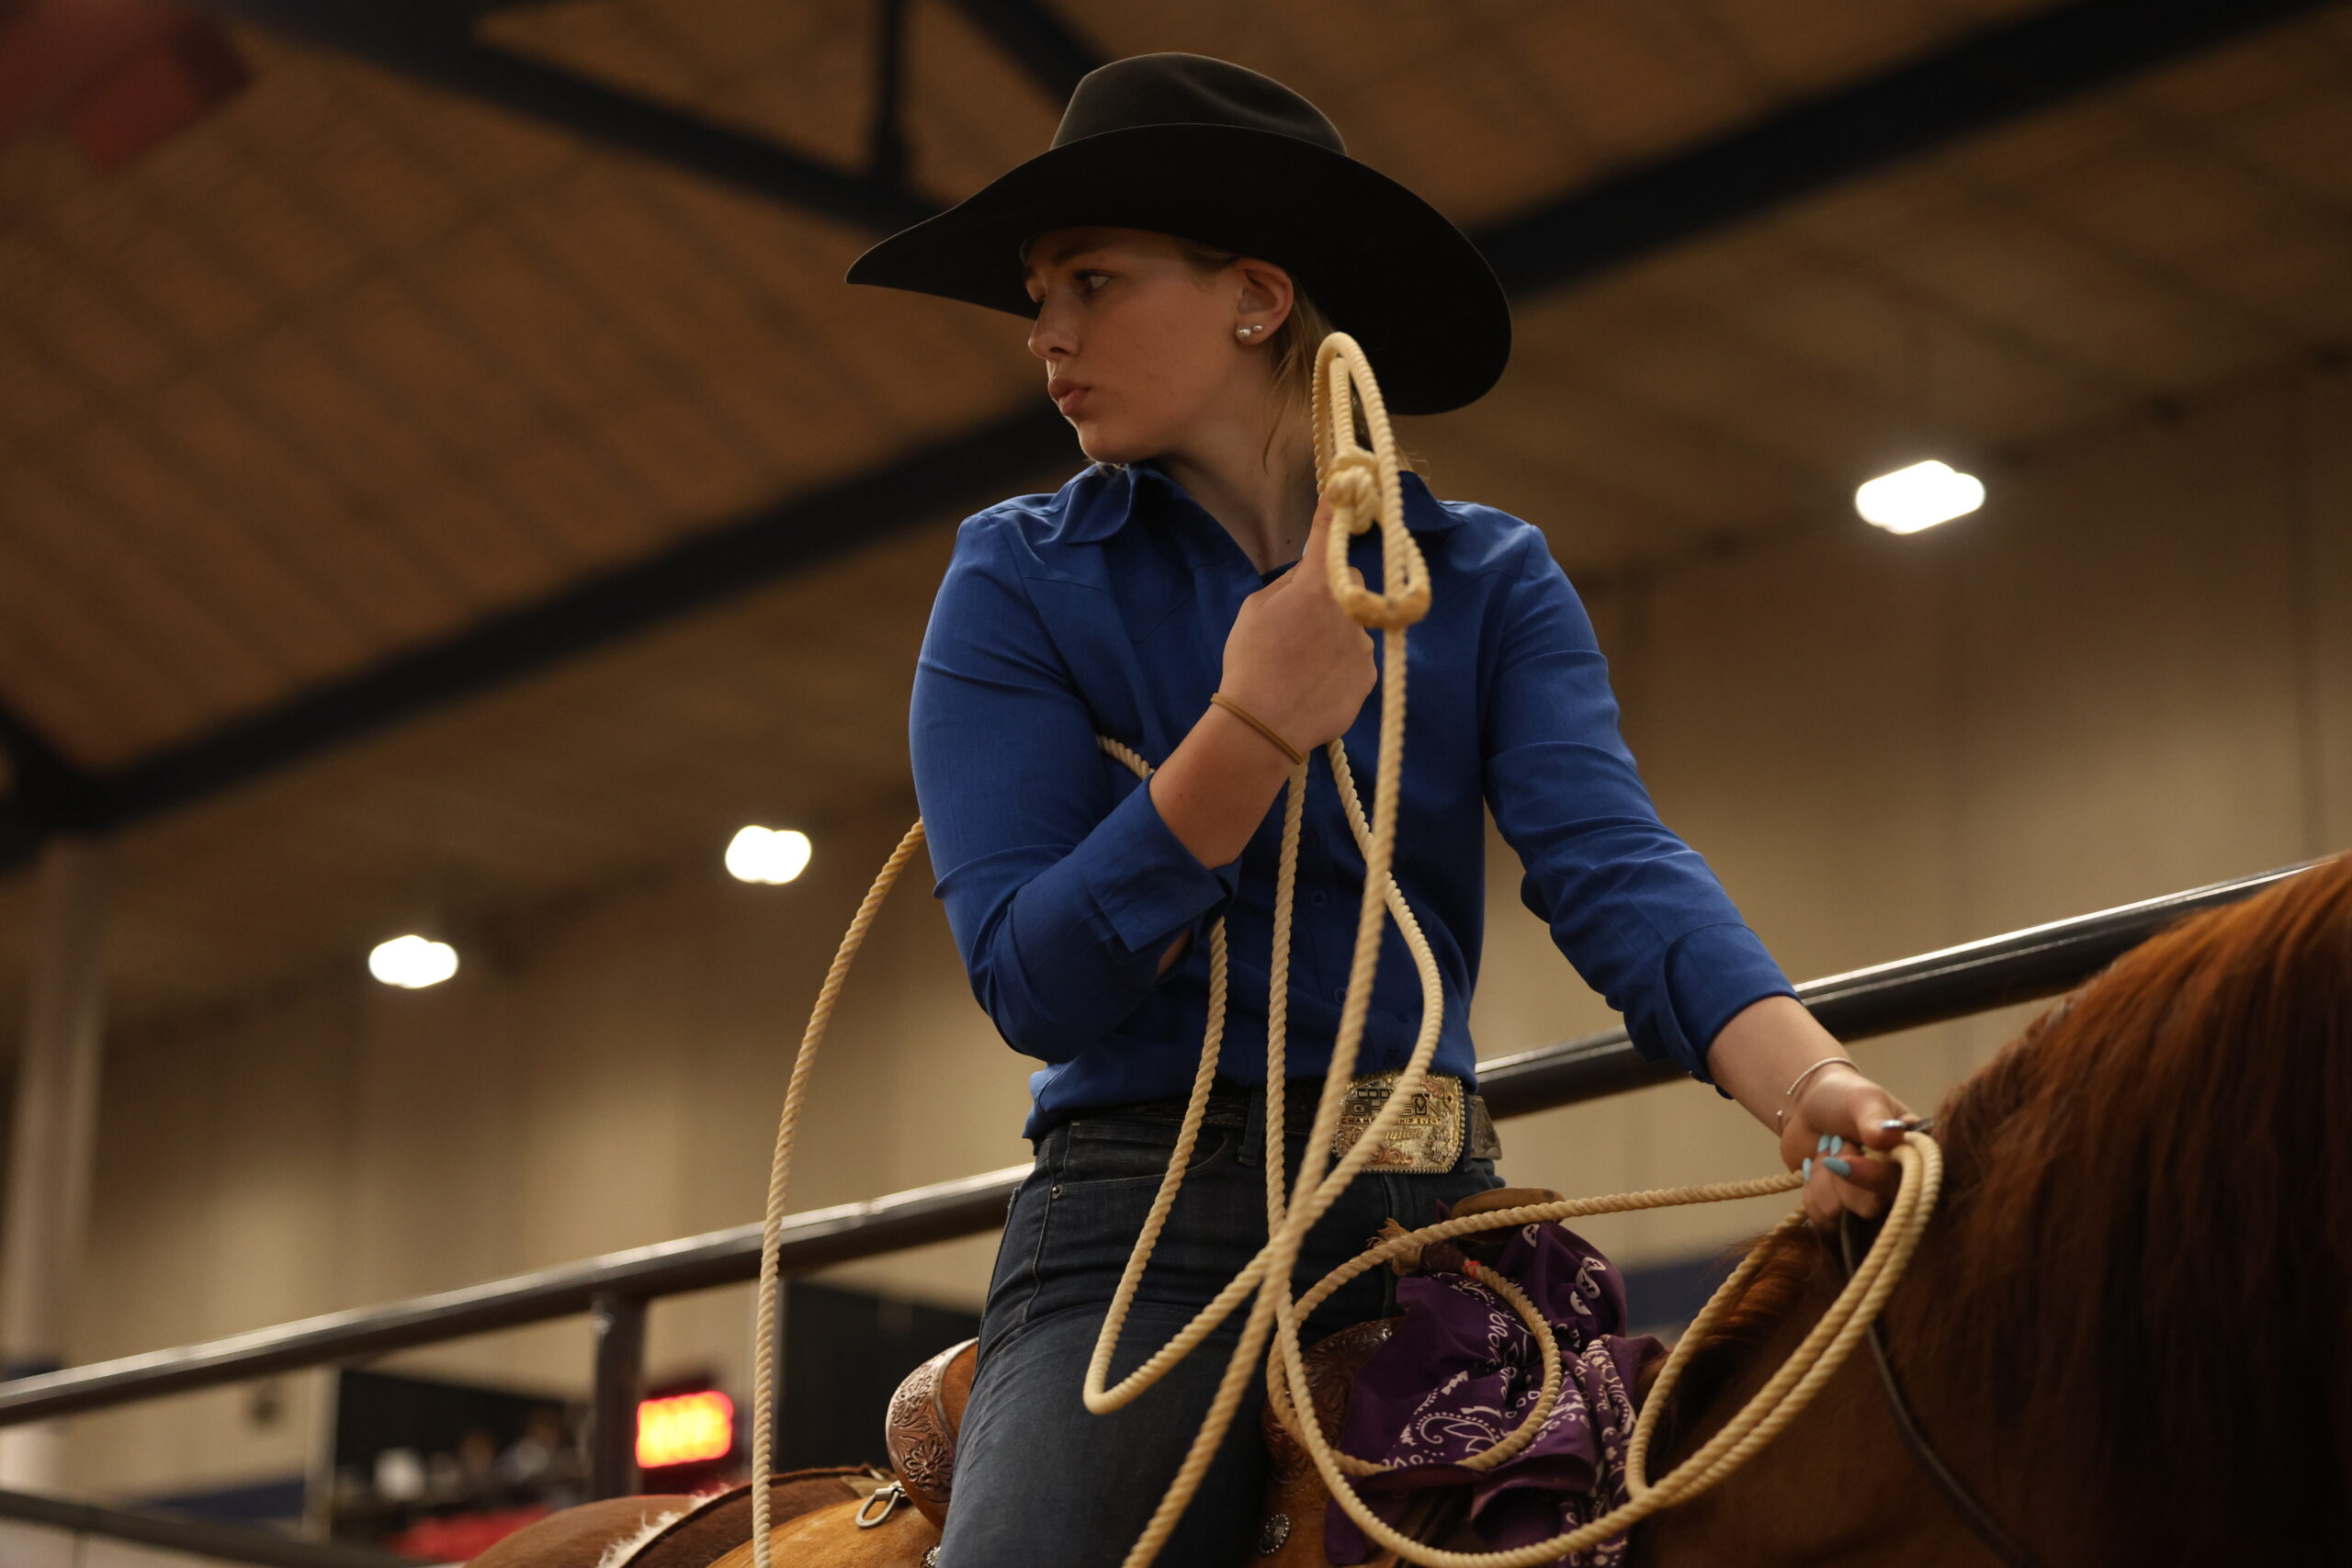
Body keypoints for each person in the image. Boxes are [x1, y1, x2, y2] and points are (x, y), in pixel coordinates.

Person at [848, 52, 1915, 1568]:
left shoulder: (1481, 577)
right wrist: (1250, 732)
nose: (1045, 334)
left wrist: (1806, 1089)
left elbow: (1612, 869)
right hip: (1145, 1232)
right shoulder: (1019, 574)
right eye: (1041, 291)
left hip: (1434, 1213)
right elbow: (1036, 983)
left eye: (1090, 280)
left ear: (1257, 295)